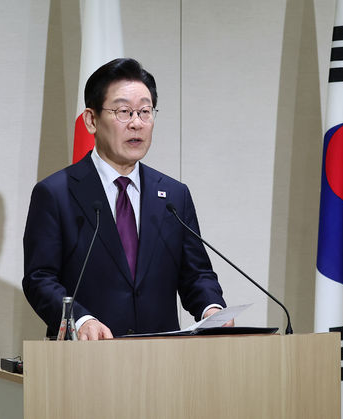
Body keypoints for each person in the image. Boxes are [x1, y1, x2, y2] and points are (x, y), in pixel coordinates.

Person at [23, 58, 231, 340]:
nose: (136, 123)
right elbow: (39, 280)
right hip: (86, 355)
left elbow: (196, 273)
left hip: (162, 356)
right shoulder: (56, 193)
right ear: (91, 120)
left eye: (145, 112)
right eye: (123, 112)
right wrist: (80, 320)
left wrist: (211, 309)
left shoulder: (174, 195)